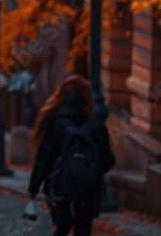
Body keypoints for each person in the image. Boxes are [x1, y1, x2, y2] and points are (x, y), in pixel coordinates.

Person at [28, 76, 115, 236]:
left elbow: (43, 161)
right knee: (83, 227)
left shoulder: (55, 124)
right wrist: (88, 167)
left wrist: (33, 191)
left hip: (58, 186)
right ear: (87, 99)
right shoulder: (96, 128)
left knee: (63, 224)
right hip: (88, 185)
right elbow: (108, 161)